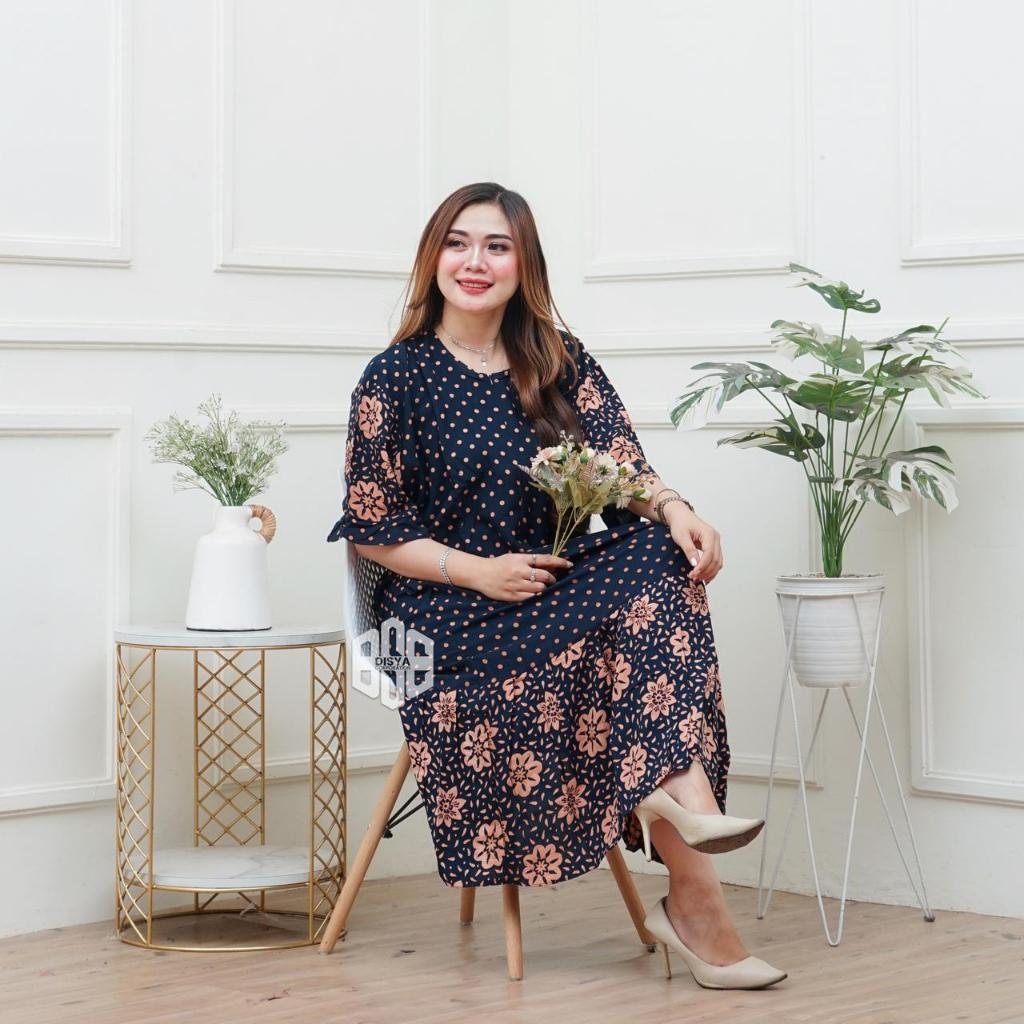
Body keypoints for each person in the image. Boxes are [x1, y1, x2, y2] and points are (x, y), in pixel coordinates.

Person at [326, 182, 787, 990]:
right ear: (433, 258)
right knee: (628, 637)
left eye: (496, 246)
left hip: (548, 590)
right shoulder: (394, 376)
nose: (475, 262)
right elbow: (372, 527)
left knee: (660, 552)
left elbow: (622, 464)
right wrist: (479, 571)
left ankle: (681, 800)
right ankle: (696, 893)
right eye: (458, 243)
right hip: (439, 613)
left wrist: (677, 508)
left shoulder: (556, 359)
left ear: (524, 264)